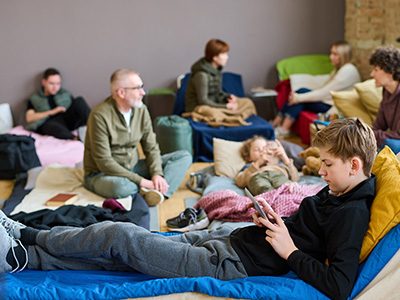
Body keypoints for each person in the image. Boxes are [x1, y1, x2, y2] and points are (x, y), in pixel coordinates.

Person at [0, 118, 376, 300]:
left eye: (327, 164)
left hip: (229, 265)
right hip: (230, 241)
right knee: (120, 254)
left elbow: (339, 286)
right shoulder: (338, 192)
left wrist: (288, 249)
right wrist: (274, 223)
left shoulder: (352, 212)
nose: (321, 171)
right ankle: (25, 257)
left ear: (354, 165)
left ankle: (26, 234)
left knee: (121, 234)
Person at [83, 69, 192, 206]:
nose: (143, 92)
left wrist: (157, 174)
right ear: (121, 93)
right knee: (122, 188)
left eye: (142, 86)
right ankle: (146, 190)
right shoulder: (99, 116)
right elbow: (104, 162)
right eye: (137, 88)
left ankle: (159, 193)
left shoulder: (141, 110)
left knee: (184, 157)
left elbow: (151, 147)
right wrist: (141, 181)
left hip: (132, 167)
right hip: (103, 174)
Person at [273, 41, 361, 137]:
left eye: (335, 54)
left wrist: (299, 98)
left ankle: (281, 127)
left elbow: (326, 92)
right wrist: (298, 97)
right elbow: (323, 88)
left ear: (344, 55)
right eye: (331, 53)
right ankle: (279, 125)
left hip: (334, 106)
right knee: (300, 92)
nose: (331, 57)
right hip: (328, 101)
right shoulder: (338, 69)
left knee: (300, 95)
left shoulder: (348, 70)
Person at [25, 68, 91, 140]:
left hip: (67, 119)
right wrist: (52, 112)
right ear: (43, 82)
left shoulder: (65, 93)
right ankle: (76, 138)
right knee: (50, 126)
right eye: (51, 83)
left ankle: (96, 127)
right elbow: (29, 118)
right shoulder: (35, 98)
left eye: (58, 84)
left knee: (79, 100)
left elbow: (77, 108)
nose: (55, 87)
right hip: (50, 123)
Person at [184, 39, 242, 112]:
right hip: (199, 108)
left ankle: (231, 113)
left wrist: (228, 97)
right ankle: (230, 114)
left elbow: (218, 93)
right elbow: (203, 101)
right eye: (224, 54)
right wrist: (226, 106)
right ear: (215, 57)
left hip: (213, 104)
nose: (227, 57)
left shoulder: (217, 71)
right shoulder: (201, 75)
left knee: (247, 102)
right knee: (212, 112)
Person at [235, 136, 299, 195]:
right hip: (259, 179)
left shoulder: (278, 165)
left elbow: (295, 178)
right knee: (262, 187)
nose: (261, 150)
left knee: (287, 185)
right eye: (256, 149)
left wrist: (285, 158)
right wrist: (257, 163)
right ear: (249, 157)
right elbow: (240, 182)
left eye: (264, 147)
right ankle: (269, 197)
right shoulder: (249, 167)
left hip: (278, 176)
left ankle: (289, 194)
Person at [369, 45, 400, 148]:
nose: (372, 74)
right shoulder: (386, 92)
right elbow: (378, 126)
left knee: (392, 144)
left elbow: (398, 135)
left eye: (376, 69)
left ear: (390, 71)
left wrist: (370, 135)